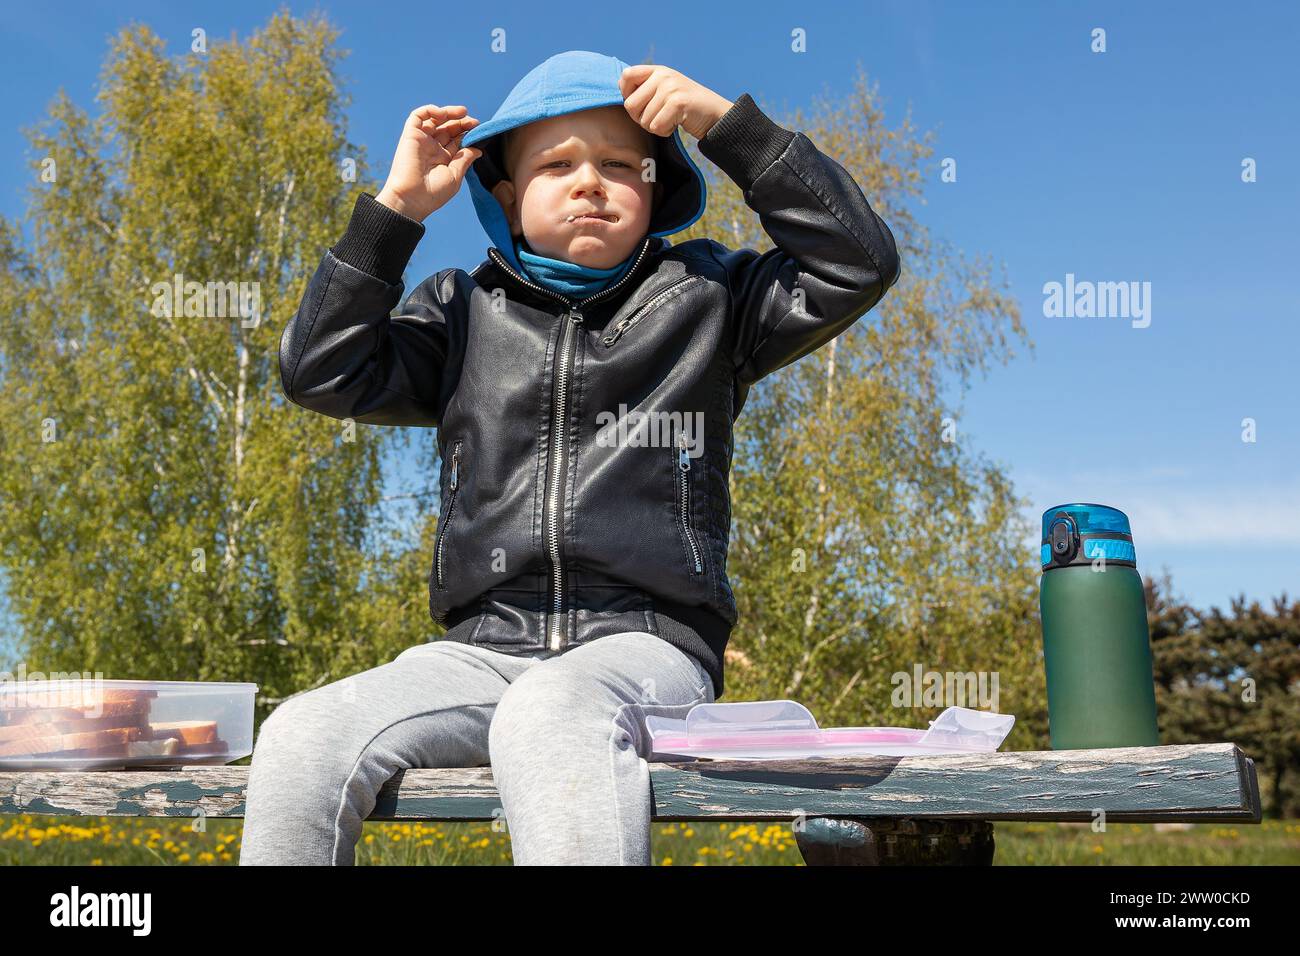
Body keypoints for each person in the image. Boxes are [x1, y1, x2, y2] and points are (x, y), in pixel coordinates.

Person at [241, 50, 901, 866]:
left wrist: (726, 126)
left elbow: (858, 263)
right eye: (557, 164)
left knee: (551, 711)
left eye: (620, 164)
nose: (589, 181)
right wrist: (396, 211)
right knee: (304, 733)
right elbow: (318, 372)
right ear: (509, 197)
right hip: (480, 649)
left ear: (657, 190)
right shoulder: (460, 313)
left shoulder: (710, 299)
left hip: (646, 648)